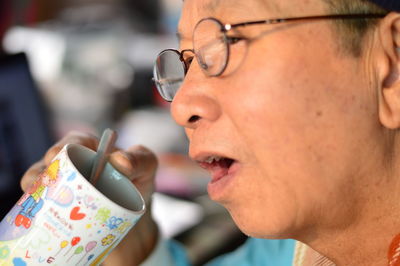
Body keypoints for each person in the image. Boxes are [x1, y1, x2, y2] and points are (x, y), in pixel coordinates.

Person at [20, 0, 400, 265]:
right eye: (187, 63)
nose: (182, 108)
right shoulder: (290, 251)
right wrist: (134, 250)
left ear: (391, 66)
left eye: (228, 43)